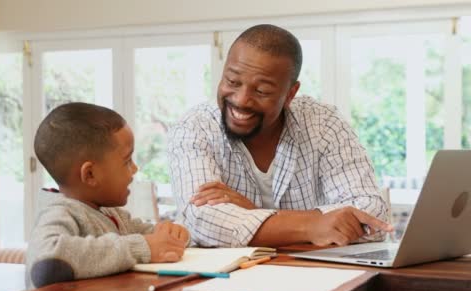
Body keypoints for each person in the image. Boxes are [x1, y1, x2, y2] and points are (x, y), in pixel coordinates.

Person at [168, 24, 393, 249]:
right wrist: (311, 226)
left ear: (290, 94)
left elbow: (372, 214)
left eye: (262, 91)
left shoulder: (324, 124)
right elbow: (203, 222)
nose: (241, 100)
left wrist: (254, 213)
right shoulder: (194, 127)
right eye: (232, 82)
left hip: (313, 274)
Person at [27, 102, 189, 289]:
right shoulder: (60, 212)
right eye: (127, 161)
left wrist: (173, 236)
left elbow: (149, 236)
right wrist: (142, 248)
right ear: (90, 175)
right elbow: (46, 262)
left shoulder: (111, 213)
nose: (135, 169)